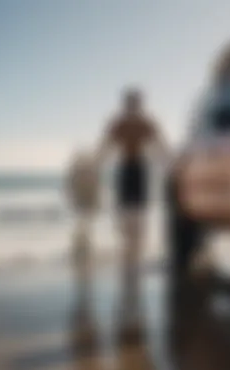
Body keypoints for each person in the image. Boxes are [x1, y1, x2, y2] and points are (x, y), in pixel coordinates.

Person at [96, 87, 169, 332]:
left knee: (134, 223)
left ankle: (131, 264)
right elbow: (161, 150)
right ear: (133, 103)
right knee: (132, 224)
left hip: (133, 171)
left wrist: (95, 165)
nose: (133, 107)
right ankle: (131, 263)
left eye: (134, 103)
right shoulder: (134, 123)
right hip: (132, 171)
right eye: (133, 103)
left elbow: (104, 151)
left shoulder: (130, 123)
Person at [65, 149, 100, 324]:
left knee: (83, 233)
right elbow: (71, 188)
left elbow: (90, 190)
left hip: (84, 206)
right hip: (83, 206)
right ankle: (82, 257)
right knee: (82, 233)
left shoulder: (82, 173)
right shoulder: (81, 172)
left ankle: (83, 258)